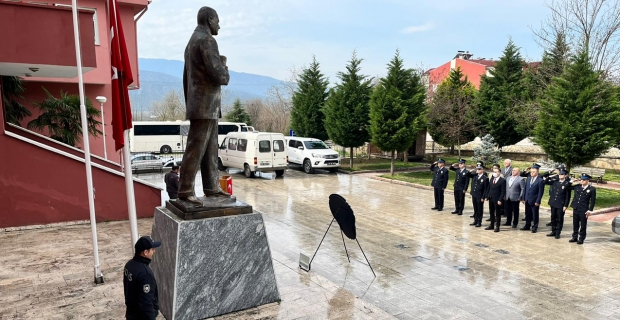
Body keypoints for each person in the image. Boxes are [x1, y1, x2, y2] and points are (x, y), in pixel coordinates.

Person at [178, 7, 233, 203]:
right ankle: (185, 190)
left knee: (210, 149)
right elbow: (219, 75)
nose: (219, 25)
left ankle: (211, 187)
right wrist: (224, 66)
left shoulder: (192, 42)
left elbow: (186, 78)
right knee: (196, 148)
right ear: (210, 20)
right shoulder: (207, 40)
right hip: (205, 105)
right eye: (218, 20)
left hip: (201, 104)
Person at [124, 236, 162, 320]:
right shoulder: (145, 274)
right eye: (152, 249)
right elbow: (146, 303)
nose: (154, 251)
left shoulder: (129, 265)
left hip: (131, 314)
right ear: (145, 252)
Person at [543, 168, 572, 239]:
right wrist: (551, 175)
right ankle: (553, 231)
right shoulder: (555, 181)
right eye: (559, 174)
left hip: (560, 204)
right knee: (553, 217)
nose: (560, 175)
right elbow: (545, 181)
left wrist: (565, 205)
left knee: (559, 219)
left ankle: (558, 232)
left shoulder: (567, 184)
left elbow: (568, 196)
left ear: (565, 175)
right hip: (553, 202)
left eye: (561, 174)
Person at [569, 174, 596, 244]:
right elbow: (567, 187)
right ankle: (574, 237)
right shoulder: (577, 187)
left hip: (584, 209)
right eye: (581, 179)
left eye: (584, 180)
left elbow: (593, 201)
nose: (582, 181)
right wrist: (571, 181)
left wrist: (590, 210)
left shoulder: (592, 189)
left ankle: (581, 238)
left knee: (583, 225)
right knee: (575, 224)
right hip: (576, 208)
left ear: (587, 181)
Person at [520, 163, 545, 233]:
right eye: (531, 172)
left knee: (535, 214)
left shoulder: (540, 180)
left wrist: (538, 201)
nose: (532, 173)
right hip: (527, 199)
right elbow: (525, 189)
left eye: (533, 172)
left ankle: (535, 227)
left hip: (534, 200)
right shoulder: (528, 179)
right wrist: (524, 198)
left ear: (537, 172)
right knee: (527, 213)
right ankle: (527, 225)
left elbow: (540, 192)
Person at [485, 165, 506, 232]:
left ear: (499, 173)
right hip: (491, 198)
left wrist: (500, 199)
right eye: (494, 172)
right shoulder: (492, 179)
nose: (495, 173)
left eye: (496, 172)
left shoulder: (502, 181)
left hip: (497, 199)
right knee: (491, 212)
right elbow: (489, 188)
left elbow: (503, 191)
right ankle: (491, 224)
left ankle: (497, 226)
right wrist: (487, 196)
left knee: (498, 213)